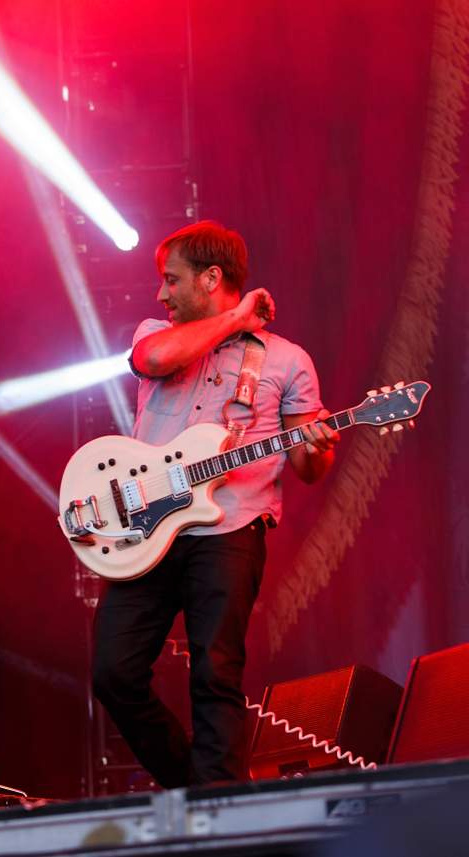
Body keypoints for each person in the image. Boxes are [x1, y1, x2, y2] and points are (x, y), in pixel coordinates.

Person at [90, 221, 339, 787]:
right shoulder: (157, 332)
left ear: (210, 278)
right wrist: (237, 318)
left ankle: (217, 809)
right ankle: (195, 789)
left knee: (216, 676)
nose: (162, 293)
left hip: (231, 529)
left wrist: (319, 445)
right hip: (147, 532)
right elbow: (155, 360)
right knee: (113, 673)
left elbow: (307, 467)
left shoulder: (287, 360)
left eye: (172, 279)